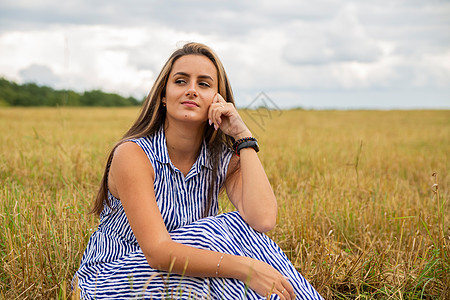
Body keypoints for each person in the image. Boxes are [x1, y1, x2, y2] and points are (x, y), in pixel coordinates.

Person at [73, 42, 322, 300]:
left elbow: (263, 220)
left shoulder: (221, 160)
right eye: (181, 81)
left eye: (203, 84)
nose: (191, 90)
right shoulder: (133, 155)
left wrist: (242, 135)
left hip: (186, 278)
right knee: (225, 232)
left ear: (218, 99)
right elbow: (158, 252)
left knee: (238, 251)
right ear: (163, 94)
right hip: (114, 277)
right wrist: (246, 267)